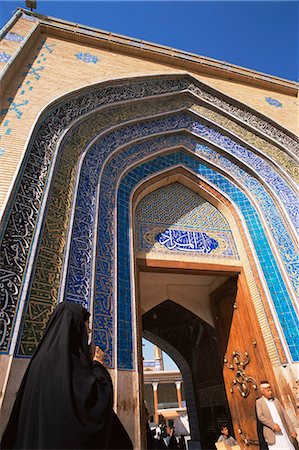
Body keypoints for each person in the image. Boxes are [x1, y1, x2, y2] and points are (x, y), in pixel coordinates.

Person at [1, 301, 133, 450]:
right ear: (73, 325)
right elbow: (91, 408)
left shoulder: (40, 362)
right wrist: (98, 365)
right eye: (86, 323)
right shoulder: (70, 365)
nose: (89, 330)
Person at [256, 380, 297, 450]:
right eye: (268, 391)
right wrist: (273, 425)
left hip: (283, 430)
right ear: (263, 392)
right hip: (272, 433)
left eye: (270, 390)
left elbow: (285, 415)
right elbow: (260, 416)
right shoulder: (259, 402)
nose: (270, 392)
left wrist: (292, 430)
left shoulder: (276, 400)